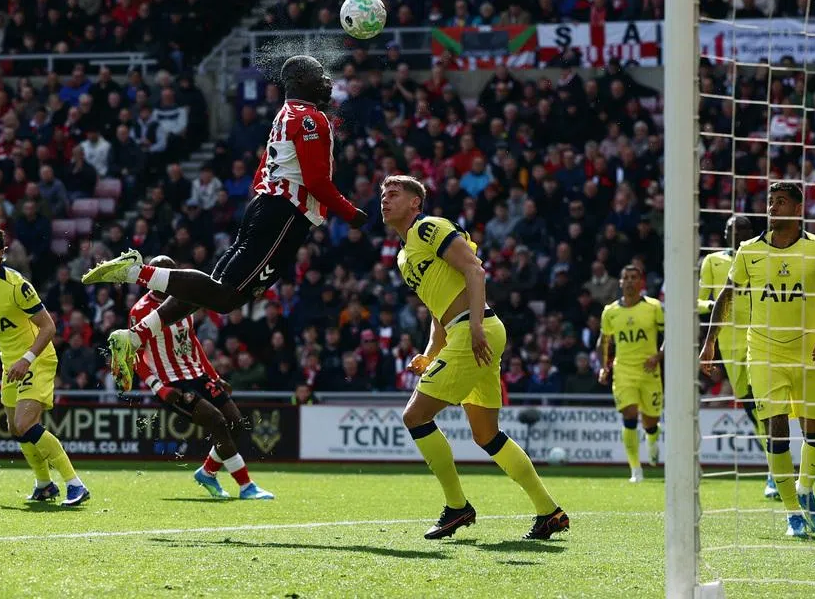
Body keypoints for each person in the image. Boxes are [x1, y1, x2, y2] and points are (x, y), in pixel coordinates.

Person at [83, 56, 367, 389]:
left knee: (211, 289)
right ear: (302, 79)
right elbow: (316, 181)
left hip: (267, 207)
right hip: (285, 214)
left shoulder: (285, 114)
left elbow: (263, 168)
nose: (326, 80)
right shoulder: (310, 119)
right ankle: (135, 271)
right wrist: (352, 213)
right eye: (319, 74)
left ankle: (133, 338)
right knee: (226, 297)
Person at [380, 175, 568, 540]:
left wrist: (476, 325)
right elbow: (438, 310)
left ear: (415, 203)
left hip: (474, 330)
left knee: (415, 416)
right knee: (487, 435)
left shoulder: (429, 228)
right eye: (382, 194)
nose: (384, 199)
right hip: (468, 331)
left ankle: (457, 508)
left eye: (394, 193)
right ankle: (549, 512)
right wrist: (430, 352)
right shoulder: (404, 257)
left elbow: (474, 269)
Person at [700, 182, 815, 538]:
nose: (772, 207)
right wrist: (710, 342)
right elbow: (726, 295)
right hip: (763, 351)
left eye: (781, 201)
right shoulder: (748, 250)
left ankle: (804, 488)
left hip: (808, 352)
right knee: (776, 428)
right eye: (770, 201)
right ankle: (792, 513)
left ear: (798, 208)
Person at [0, 224, 89, 506]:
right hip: (9, 362)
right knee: (16, 429)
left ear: (2, 253)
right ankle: (44, 485)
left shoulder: (17, 285)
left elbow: (49, 327)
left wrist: (27, 359)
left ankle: (75, 484)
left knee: (24, 422)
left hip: (36, 358)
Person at [130, 256, 273, 500]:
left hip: (197, 374)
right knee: (217, 422)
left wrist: (214, 375)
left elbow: (192, 340)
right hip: (172, 383)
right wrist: (158, 388)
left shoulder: (186, 298)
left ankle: (208, 472)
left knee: (236, 424)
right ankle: (246, 485)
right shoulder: (140, 311)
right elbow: (134, 355)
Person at [698, 216, 777, 499]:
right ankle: (775, 465)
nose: (738, 233)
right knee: (750, 406)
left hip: (760, 337)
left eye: (743, 229)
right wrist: (713, 304)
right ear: (725, 233)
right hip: (729, 344)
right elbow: (698, 299)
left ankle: (774, 473)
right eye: (733, 229)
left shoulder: (762, 255)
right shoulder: (713, 262)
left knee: (763, 401)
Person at [597, 265, 663, 482]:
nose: (630, 281)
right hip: (623, 371)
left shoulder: (654, 307)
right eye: (626, 278)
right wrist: (604, 366)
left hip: (649, 371)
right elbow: (604, 341)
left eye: (634, 277)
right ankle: (635, 469)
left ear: (641, 282)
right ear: (620, 282)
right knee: (629, 414)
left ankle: (653, 439)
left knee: (650, 422)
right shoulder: (611, 312)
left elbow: (669, 334)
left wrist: (658, 356)